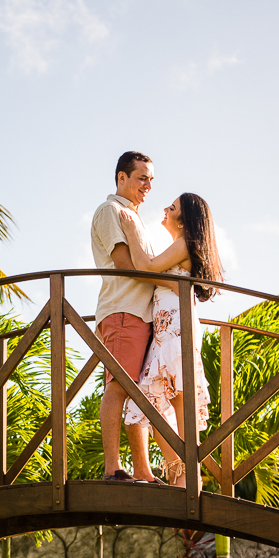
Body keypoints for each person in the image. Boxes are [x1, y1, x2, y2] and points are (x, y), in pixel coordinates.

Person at [118, 193, 223, 487]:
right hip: (168, 328)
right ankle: (183, 473)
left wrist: (131, 231)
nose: (165, 209)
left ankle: (189, 479)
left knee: (178, 403)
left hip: (176, 328)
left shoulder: (185, 243)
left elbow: (144, 267)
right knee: (156, 404)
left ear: (184, 219)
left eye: (172, 207)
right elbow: (162, 280)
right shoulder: (180, 247)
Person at [91, 151, 159, 482]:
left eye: (150, 179)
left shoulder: (134, 216)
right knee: (119, 387)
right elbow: (124, 263)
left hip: (141, 315)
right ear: (122, 177)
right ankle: (112, 468)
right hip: (123, 311)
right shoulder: (110, 210)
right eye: (141, 177)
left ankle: (142, 469)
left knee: (137, 393)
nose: (147, 185)